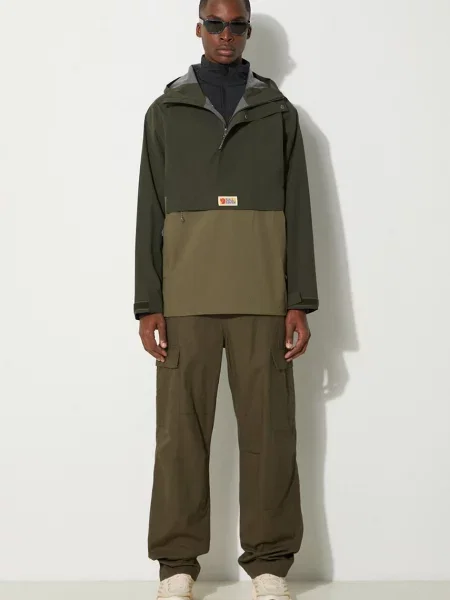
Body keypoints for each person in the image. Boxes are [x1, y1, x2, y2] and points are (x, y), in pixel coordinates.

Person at [133, 0, 319, 598]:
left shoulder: (278, 112)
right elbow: (149, 209)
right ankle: (177, 565)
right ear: (199, 28)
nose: (226, 34)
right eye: (215, 24)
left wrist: (299, 298)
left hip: (262, 293)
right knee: (179, 436)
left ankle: (269, 563)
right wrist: (148, 302)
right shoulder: (166, 111)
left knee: (270, 433)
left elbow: (299, 208)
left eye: (237, 25)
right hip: (184, 297)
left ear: (247, 31)